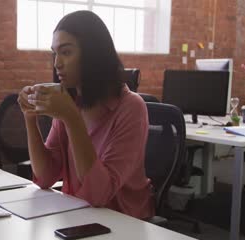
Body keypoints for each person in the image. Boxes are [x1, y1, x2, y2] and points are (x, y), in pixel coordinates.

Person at [17, 10, 154, 219]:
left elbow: (98, 195)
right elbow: (45, 177)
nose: (57, 63)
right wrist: (30, 118)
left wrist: (71, 118)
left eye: (66, 52)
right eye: (55, 53)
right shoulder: (71, 103)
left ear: (93, 53)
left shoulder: (132, 108)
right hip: (78, 216)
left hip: (124, 223)